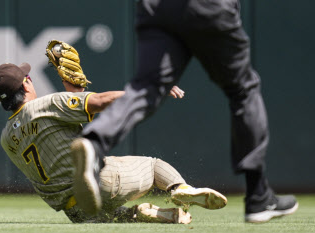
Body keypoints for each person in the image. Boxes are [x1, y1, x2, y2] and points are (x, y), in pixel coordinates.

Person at [74, 0, 298, 223]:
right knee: (243, 90)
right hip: (208, 6)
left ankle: (95, 142)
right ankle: (258, 194)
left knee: (145, 89)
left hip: (155, 7)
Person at [0, 61, 227, 224]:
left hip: (74, 210)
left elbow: (60, 141)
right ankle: (181, 190)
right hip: (100, 182)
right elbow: (102, 101)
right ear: (26, 84)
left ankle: (147, 214)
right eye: (28, 77)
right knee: (154, 167)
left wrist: (76, 91)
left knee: (116, 216)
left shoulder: (6, 139)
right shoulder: (47, 104)